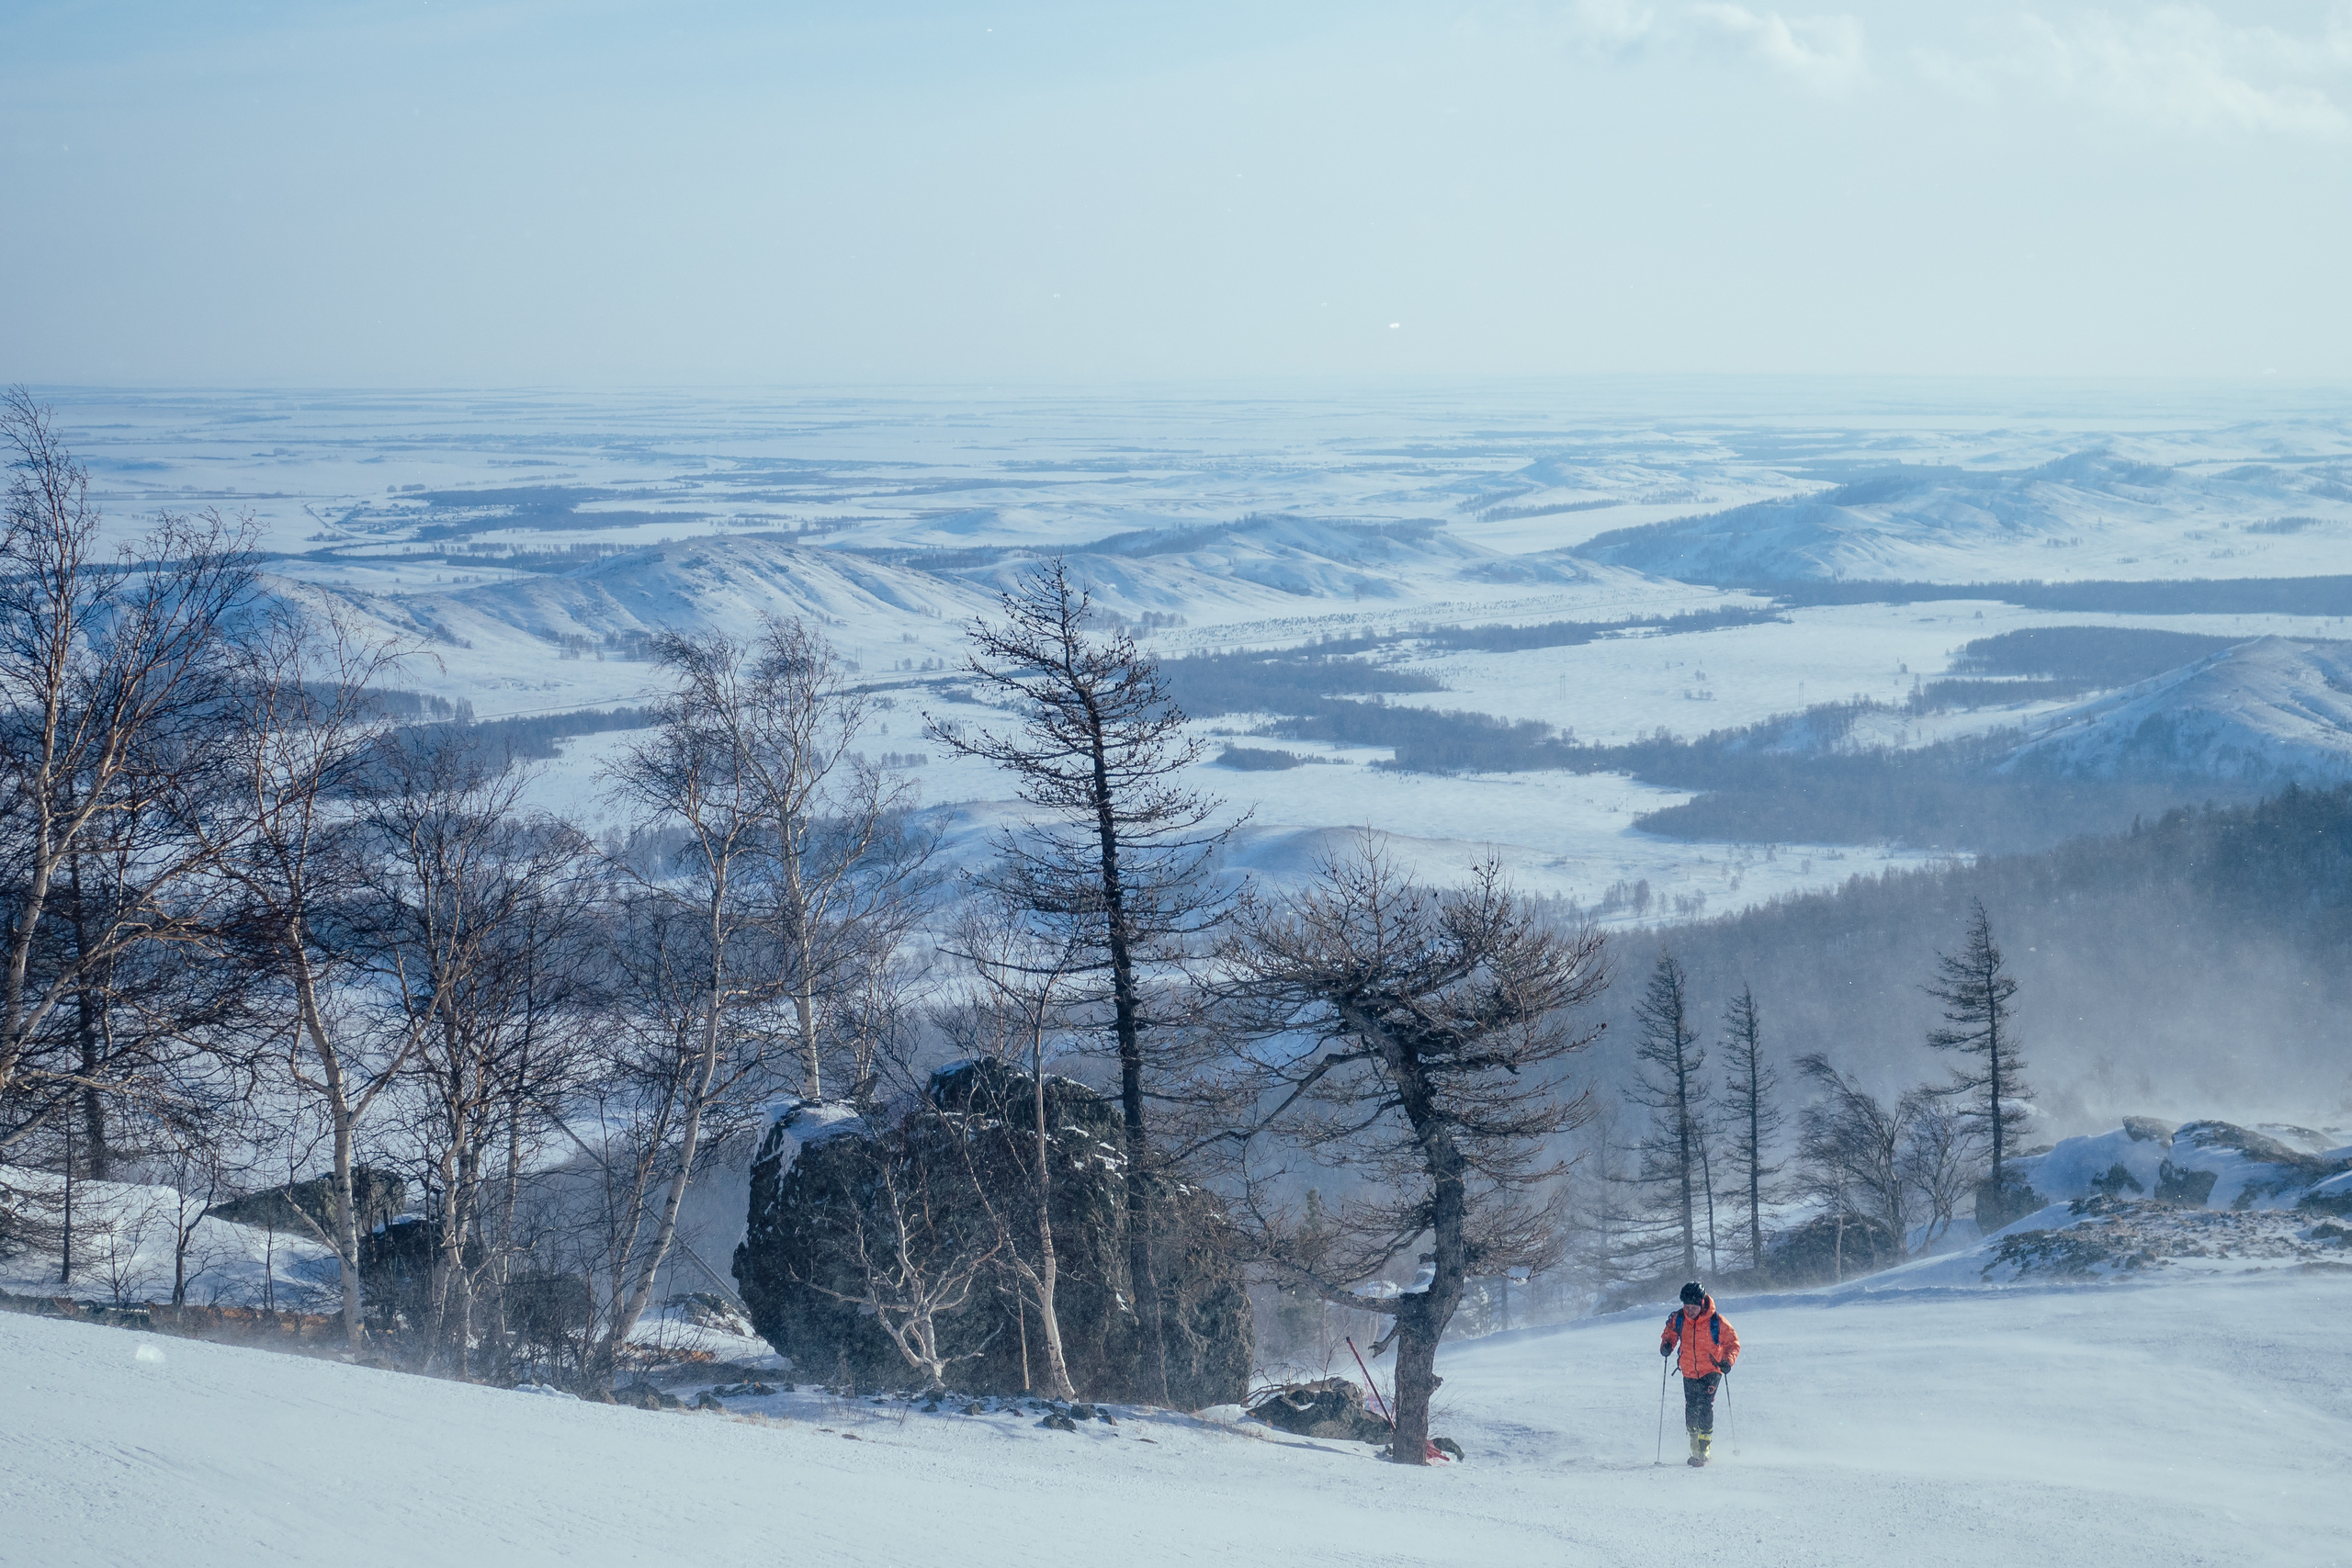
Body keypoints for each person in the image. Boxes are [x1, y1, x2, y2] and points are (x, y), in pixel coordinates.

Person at [1660, 1280, 1739, 1467]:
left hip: (1711, 1370)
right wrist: (1667, 1345)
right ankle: (1694, 1442)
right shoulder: (1679, 1318)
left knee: (1705, 1406)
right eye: (1686, 1307)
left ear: (1701, 1303)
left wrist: (1727, 1361)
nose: (1690, 1311)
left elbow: (1733, 1343)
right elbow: (1670, 1333)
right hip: (1688, 1370)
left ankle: (1704, 1450)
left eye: (1693, 1307)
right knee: (1691, 1408)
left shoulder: (1716, 1321)